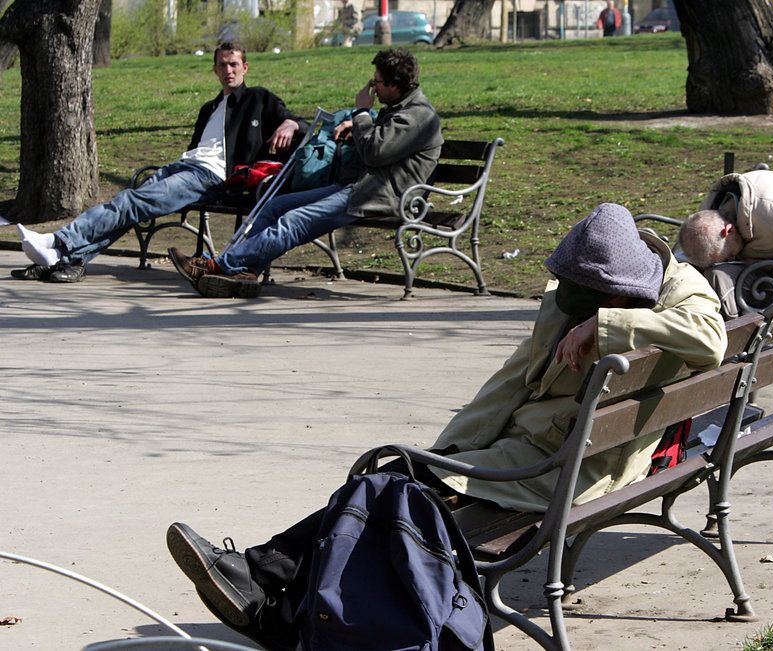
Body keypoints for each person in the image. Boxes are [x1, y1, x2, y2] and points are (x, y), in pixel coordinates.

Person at [165, 203, 727, 648]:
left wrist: (607, 325)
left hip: (566, 470)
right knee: (398, 475)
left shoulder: (679, 293)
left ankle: (267, 589)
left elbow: (713, 339)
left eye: (591, 302)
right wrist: (445, 452)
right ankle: (267, 589)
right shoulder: (584, 296)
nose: (573, 310)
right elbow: (510, 382)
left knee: (391, 487)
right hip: (538, 450)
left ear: (619, 286)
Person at [11, 42, 303, 284]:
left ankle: (59, 242)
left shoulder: (259, 98)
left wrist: (289, 123)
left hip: (210, 177)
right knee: (130, 202)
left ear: (245, 67)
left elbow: (299, 122)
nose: (228, 70)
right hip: (183, 167)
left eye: (234, 64)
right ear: (214, 69)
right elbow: (195, 149)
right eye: (223, 65)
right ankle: (66, 260)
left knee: (131, 202)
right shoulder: (209, 108)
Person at [168, 47, 443, 299]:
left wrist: (361, 113)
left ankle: (218, 265)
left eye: (377, 82)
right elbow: (375, 146)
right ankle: (245, 273)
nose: (372, 87)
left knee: (293, 221)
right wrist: (354, 126)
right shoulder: (400, 109)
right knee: (275, 206)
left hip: (381, 196)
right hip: (358, 188)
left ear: (395, 85)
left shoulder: (417, 116)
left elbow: (374, 152)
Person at [678, 169, 773, 318]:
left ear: (729, 231)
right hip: (761, 272)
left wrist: (770, 266)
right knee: (709, 274)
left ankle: (739, 332)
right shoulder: (706, 217)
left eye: (729, 256)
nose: (731, 259)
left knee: (718, 277)